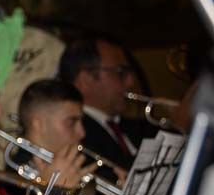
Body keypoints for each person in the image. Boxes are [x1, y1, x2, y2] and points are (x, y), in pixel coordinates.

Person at [58, 37, 155, 178]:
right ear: (86, 81)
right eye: (120, 72)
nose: (130, 82)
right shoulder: (76, 133)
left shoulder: (136, 126)